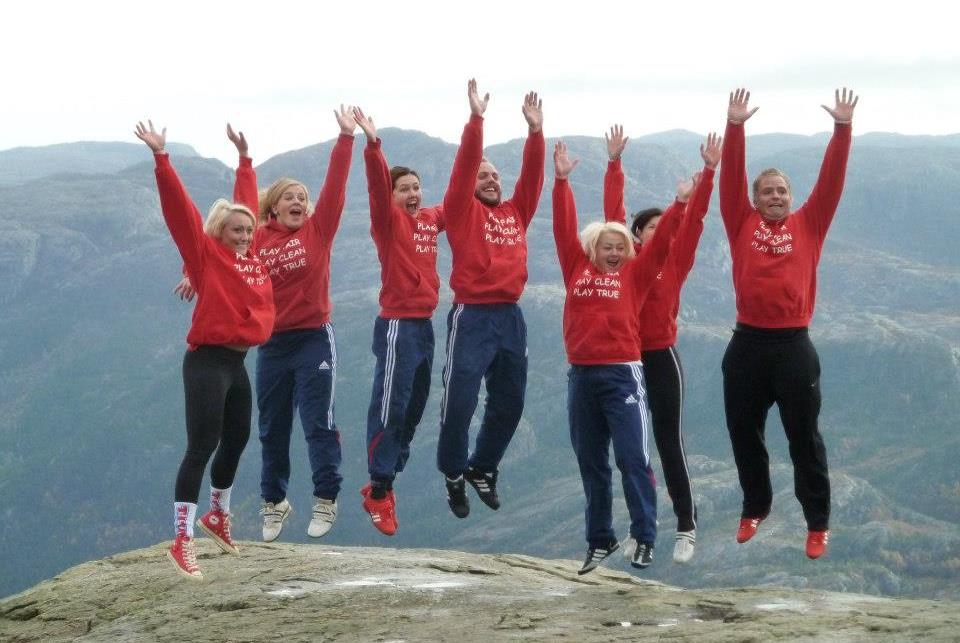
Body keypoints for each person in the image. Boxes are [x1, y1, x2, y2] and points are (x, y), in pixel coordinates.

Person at [719, 88, 858, 559]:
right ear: (756, 199)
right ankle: (755, 506)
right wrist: (735, 126)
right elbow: (731, 183)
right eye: (767, 191)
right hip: (747, 345)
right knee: (744, 431)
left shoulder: (809, 223)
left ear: (791, 198)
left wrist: (842, 129)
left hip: (794, 348)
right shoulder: (740, 221)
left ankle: (817, 523)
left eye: (782, 191)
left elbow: (832, 181)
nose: (775, 196)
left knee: (804, 438)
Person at [135, 120, 275, 580]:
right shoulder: (206, 255)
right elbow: (182, 213)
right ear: (219, 231)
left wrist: (245, 161)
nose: (244, 234)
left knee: (236, 438)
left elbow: (246, 206)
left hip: (237, 363)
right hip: (207, 362)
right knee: (201, 446)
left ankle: (218, 515)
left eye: (248, 230)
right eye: (235, 230)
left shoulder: (250, 257)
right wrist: (162, 159)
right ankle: (183, 539)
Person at [552, 139, 688, 574]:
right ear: (593, 248)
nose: (614, 252)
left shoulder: (637, 273)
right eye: (607, 246)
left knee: (632, 457)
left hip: (622, 375)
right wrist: (561, 181)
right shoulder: (575, 266)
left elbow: (664, 239)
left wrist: (680, 204)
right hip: (581, 376)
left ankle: (645, 537)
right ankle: (600, 539)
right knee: (591, 462)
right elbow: (562, 225)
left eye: (620, 247)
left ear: (630, 251)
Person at [232, 107, 358, 542]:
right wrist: (246, 160)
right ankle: (274, 502)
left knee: (317, 420)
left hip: (313, 339)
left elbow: (336, 189)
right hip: (272, 345)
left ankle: (326, 497)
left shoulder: (317, 233)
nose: (299, 202)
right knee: (271, 427)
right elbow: (235, 219)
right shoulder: (259, 239)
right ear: (273, 205)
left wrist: (345, 139)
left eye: (303, 198)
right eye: (291, 197)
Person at [603, 127, 721, 564]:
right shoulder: (626, 263)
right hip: (626, 361)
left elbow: (692, 221)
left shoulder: (676, 260)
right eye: (650, 227)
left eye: (663, 226)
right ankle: (642, 528)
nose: (661, 231)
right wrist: (614, 163)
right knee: (633, 448)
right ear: (636, 235)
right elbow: (612, 214)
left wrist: (707, 174)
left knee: (670, 442)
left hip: (662, 357)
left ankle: (687, 525)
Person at [436, 79, 545, 517]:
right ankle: (453, 473)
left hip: (510, 317)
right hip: (473, 317)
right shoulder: (462, 211)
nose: (492, 180)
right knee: (460, 401)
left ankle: (483, 467)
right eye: (485, 175)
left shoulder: (515, 212)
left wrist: (536, 134)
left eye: (496, 175)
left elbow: (533, 180)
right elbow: (464, 168)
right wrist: (476, 121)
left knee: (511, 401)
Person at [353, 107, 445, 535]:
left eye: (416, 188)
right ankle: (379, 488)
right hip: (397, 326)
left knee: (415, 404)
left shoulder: (430, 220)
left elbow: (461, 193)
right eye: (403, 188)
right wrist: (374, 146)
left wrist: (476, 124)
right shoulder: (387, 224)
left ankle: (388, 476)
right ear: (390, 197)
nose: (412, 194)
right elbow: (376, 186)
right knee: (390, 405)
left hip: (424, 326)